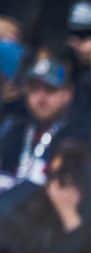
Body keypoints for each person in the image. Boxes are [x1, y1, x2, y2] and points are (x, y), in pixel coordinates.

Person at [0, 52, 86, 192]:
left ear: (67, 94)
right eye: (34, 89)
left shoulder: (77, 138)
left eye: (50, 89)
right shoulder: (14, 131)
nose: (40, 98)